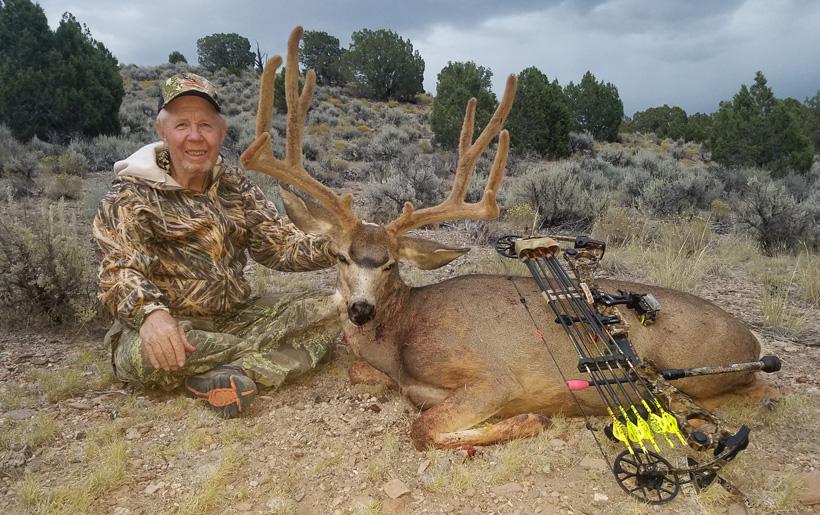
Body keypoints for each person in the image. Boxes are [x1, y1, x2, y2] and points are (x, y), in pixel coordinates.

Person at [92, 72, 340, 417]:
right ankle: (258, 360)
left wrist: (339, 246)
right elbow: (120, 270)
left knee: (335, 307)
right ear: (162, 131)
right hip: (171, 323)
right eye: (182, 126)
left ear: (221, 134)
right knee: (147, 356)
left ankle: (226, 373)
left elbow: (279, 245)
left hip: (234, 316)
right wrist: (151, 314)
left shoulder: (235, 187)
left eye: (206, 126)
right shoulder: (130, 195)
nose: (195, 137)